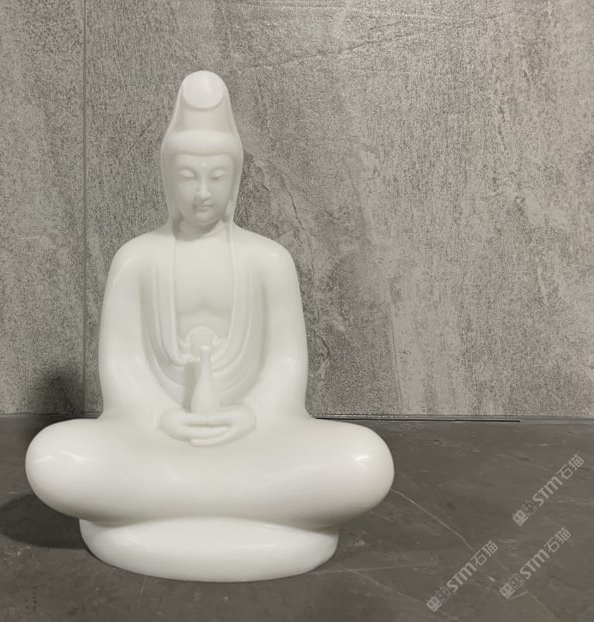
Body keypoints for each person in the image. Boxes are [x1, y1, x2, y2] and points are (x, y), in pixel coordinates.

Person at [26, 71, 394, 580]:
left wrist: (251, 414)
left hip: (256, 436)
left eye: (216, 177)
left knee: (364, 461)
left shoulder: (268, 260)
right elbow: (122, 365)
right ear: (167, 178)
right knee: (53, 458)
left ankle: (149, 505)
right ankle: (266, 506)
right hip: (153, 438)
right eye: (187, 176)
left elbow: (286, 363)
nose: (202, 192)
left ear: (235, 180)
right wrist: (160, 416)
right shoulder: (137, 258)